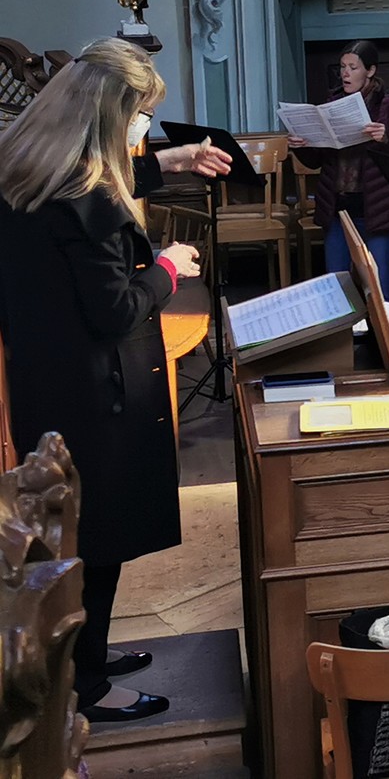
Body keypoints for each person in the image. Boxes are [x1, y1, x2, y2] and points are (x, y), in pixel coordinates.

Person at [0, 38, 231, 723]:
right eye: (139, 115)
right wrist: (167, 268)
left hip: (46, 383)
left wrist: (170, 161)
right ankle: (88, 687)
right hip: (99, 396)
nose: (142, 129)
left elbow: (91, 191)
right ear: (110, 114)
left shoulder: (27, 169)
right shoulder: (90, 196)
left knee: (76, 536)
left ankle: (87, 655)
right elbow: (116, 310)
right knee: (98, 542)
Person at [286, 40, 389, 300]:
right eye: (342, 67)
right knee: (337, 285)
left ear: (370, 71)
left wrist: (385, 139)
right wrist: (301, 146)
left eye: (353, 68)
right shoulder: (331, 103)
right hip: (337, 207)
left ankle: (386, 328)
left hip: (376, 207)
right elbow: (317, 161)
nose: (345, 73)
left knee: (379, 285)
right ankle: (348, 328)